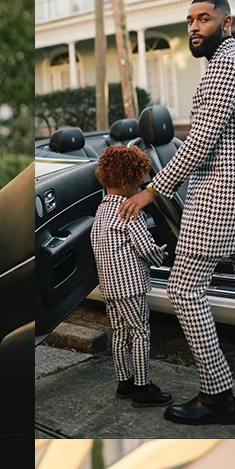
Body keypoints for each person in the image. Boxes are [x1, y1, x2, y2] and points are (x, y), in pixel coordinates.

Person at [119, 0, 235, 426]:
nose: (194, 27)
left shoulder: (224, 69)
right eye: (190, 20)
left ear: (226, 24)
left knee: (183, 289)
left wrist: (150, 190)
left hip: (223, 201)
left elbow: (197, 145)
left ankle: (217, 394)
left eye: (205, 19)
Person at [90, 146, 171, 408]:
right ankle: (142, 387)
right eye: (139, 182)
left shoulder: (101, 212)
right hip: (131, 286)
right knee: (140, 333)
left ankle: (123, 382)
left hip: (110, 287)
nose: (141, 187)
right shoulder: (129, 212)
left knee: (119, 333)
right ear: (126, 183)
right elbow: (145, 248)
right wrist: (162, 255)